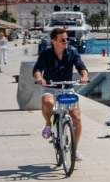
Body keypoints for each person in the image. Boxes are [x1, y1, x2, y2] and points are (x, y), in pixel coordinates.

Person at [33, 27, 89, 160]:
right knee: (48, 102)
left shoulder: (72, 52)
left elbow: (81, 66)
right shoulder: (46, 54)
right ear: (53, 41)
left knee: (77, 118)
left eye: (67, 39)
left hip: (67, 88)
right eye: (62, 40)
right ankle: (48, 123)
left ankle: (74, 150)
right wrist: (39, 78)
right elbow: (38, 69)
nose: (66, 42)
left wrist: (84, 76)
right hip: (51, 87)